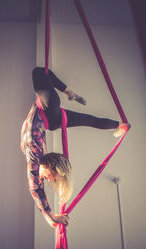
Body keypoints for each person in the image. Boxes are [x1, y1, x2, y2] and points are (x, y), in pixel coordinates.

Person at [21, 67, 130, 228]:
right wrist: (51, 217)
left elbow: (37, 185)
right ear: (50, 165)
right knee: (38, 72)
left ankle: (121, 125)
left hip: (52, 118)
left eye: (52, 178)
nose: (50, 179)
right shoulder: (35, 154)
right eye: (53, 176)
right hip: (49, 107)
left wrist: (51, 217)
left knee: (90, 120)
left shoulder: (37, 155)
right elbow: (35, 187)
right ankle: (70, 92)